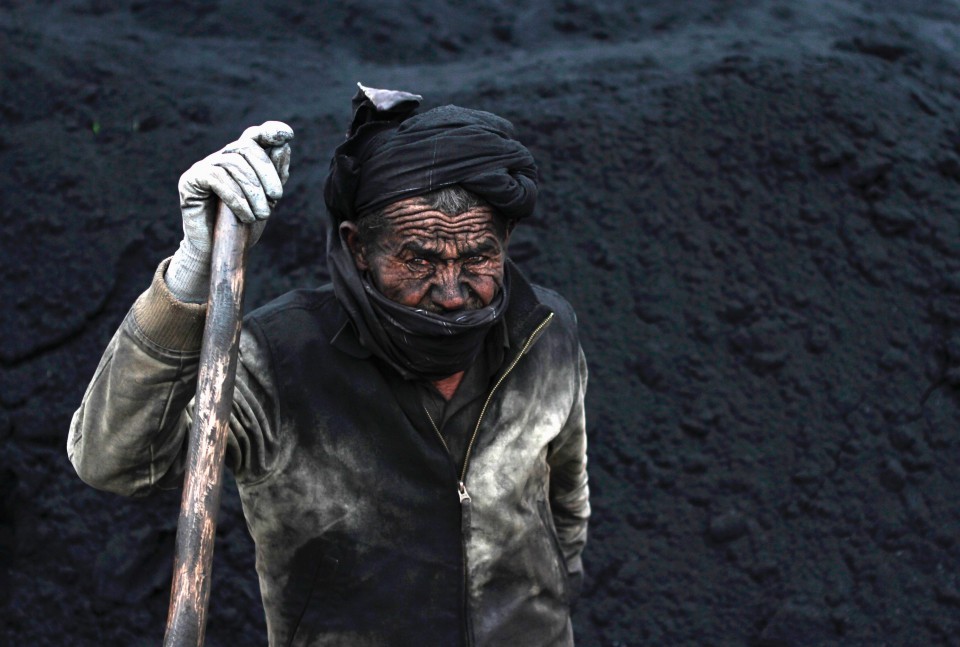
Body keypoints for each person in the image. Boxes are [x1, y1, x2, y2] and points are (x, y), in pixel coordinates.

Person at [69, 84, 590, 647]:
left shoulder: (544, 331)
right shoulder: (276, 359)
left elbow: (565, 499)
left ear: (505, 241)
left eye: (478, 257)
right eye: (419, 259)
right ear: (359, 247)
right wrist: (192, 273)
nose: (451, 292)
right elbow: (114, 463)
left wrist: (556, 599)